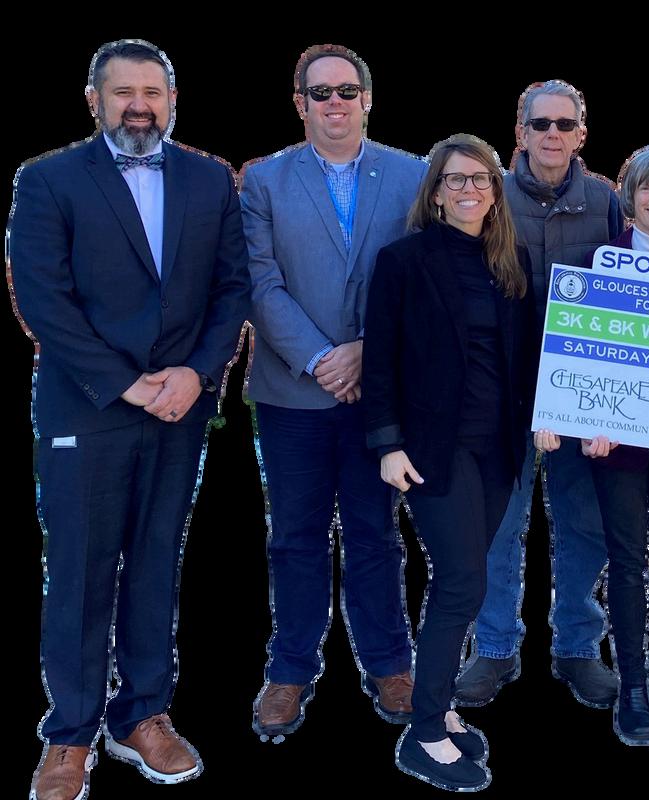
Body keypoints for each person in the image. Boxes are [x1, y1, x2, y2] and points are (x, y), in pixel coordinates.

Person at [9, 39, 250, 798]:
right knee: (81, 569)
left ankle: (143, 713)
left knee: (155, 561)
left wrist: (196, 373)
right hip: (88, 406)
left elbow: (232, 287)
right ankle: (70, 733)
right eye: (123, 93)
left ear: (171, 101)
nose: (139, 106)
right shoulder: (48, 179)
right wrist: (126, 385)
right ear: (95, 101)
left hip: (180, 407)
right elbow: (42, 298)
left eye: (153, 92)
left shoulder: (210, 179)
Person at [240, 44, 425, 740]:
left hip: (381, 393)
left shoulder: (412, 174)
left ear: (367, 99)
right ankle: (290, 669)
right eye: (321, 93)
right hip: (294, 394)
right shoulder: (263, 180)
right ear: (301, 104)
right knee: (295, 537)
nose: (335, 103)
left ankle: (390, 664)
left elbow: (424, 276)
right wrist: (322, 358)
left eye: (347, 90)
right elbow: (260, 283)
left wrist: (369, 351)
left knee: (376, 534)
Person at [362, 134, 535, 790]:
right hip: (434, 449)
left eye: (480, 179)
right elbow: (380, 359)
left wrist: (549, 415)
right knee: (462, 579)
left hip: (499, 449)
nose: (468, 190)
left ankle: (439, 704)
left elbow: (528, 355)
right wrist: (387, 443)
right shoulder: (404, 261)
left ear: (495, 191)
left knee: (468, 581)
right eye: (455, 180)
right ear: (435, 193)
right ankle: (425, 730)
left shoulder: (510, 259)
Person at [456, 79, 623, 709]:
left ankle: (578, 646)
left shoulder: (606, 201)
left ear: (581, 133)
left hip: (584, 397)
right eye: (541, 124)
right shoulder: (489, 195)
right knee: (497, 523)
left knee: (584, 524)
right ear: (520, 132)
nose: (553, 135)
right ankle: (495, 646)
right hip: (503, 392)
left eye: (564, 124)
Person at [537, 145, 649, 746]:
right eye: (646, 188)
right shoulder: (598, 264)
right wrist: (586, 418)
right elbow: (579, 354)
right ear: (629, 197)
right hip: (616, 445)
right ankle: (632, 684)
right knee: (627, 562)